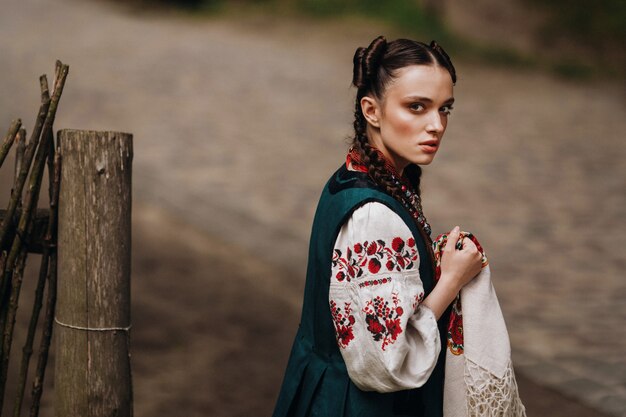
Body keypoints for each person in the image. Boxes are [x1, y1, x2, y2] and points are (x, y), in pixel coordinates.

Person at [272, 35, 484, 417]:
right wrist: (451, 280)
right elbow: (389, 361)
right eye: (416, 107)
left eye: (445, 109)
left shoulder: (355, 174)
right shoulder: (372, 216)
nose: (436, 125)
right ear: (371, 110)